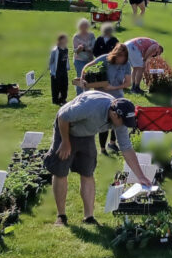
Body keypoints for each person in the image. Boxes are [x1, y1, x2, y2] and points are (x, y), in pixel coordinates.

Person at [46, 92, 150, 226]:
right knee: (60, 171)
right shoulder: (91, 107)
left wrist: (140, 176)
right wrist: (65, 142)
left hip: (87, 132)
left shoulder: (120, 119)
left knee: (87, 171)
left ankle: (89, 217)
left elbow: (126, 148)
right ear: (114, 114)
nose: (124, 125)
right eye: (123, 121)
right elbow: (63, 116)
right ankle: (61, 216)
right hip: (66, 128)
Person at [78, 43, 134, 154]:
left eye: (124, 56)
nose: (122, 59)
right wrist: (83, 79)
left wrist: (114, 87)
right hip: (101, 96)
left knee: (118, 119)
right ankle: (103, 148)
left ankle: (113, 143)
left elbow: (128, 83)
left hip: (117, 96)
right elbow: (86, 67)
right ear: (115, 54)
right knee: (104, 120)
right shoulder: (105, 59)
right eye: (120, 56)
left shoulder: (126, 64)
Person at [71, 19, 96, 96]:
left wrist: (84, 49)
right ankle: (79, 95)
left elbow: (93, 48)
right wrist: (78, 49)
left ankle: (86, 94)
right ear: (79, 27)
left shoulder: (91, 35)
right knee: (80, 77)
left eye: (85, 26)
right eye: (82, 26)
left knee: (88, 78)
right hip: (79, 60)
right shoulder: (76, 37)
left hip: (89, 60)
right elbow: (75, 51)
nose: (84, 28)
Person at [48, 34, 70, 106]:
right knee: (56, 87)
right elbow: (51, 61)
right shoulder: (55, 50)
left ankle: (63, 99)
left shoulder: (66, 49)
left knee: (64, 86)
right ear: (60, 40)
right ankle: (55, 100)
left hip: (64, 71)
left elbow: (66, 59)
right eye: (64, 39)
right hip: (56, 71)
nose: (66, 40)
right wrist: (52, 70)